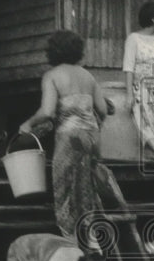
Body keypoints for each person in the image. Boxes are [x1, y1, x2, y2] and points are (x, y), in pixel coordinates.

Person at [19, 30, 107, 243]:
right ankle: (93, 242)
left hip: (69, 137)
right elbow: (103, 110)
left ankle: (72, 242)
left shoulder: (52, 75)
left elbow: (47, 111)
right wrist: (95, 128)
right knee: (87, 189)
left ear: (53, 52)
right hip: (91, 136)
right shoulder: (88, 76)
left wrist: (29, 123)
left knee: (65, 190)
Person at [123, 2, 154, 160]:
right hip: (140, 86)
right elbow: (129, 66)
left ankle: (153, 151)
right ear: (153, 19)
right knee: (143, 116)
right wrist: (130, 93)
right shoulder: (133, 39)